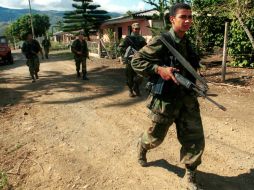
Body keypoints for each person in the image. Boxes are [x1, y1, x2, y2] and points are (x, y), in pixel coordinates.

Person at [132, 3, 205, 190]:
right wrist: (159, 69)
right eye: (183, 17)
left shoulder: (188, 43)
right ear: (172, 19)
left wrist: (198, 82)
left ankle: (190, 175)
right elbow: (136, 61)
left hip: (187, 99)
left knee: (194, 139)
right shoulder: (162, 41)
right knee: (155, 138)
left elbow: (191, 69)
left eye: (190, 16)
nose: (188, 20)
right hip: (166, 100)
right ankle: (142, 145)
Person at [118, 23, 147, 97]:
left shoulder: (142, 39)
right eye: (135, 29)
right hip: (130, 60)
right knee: (130, 76)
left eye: (138, 29)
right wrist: (128, 52)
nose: (137, 30)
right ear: (132, 29)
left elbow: (146, 48)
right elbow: (120, 48)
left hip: (139, 60)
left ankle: (136, 87)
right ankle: (131, 90)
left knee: (140, 76)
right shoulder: (128, 38)